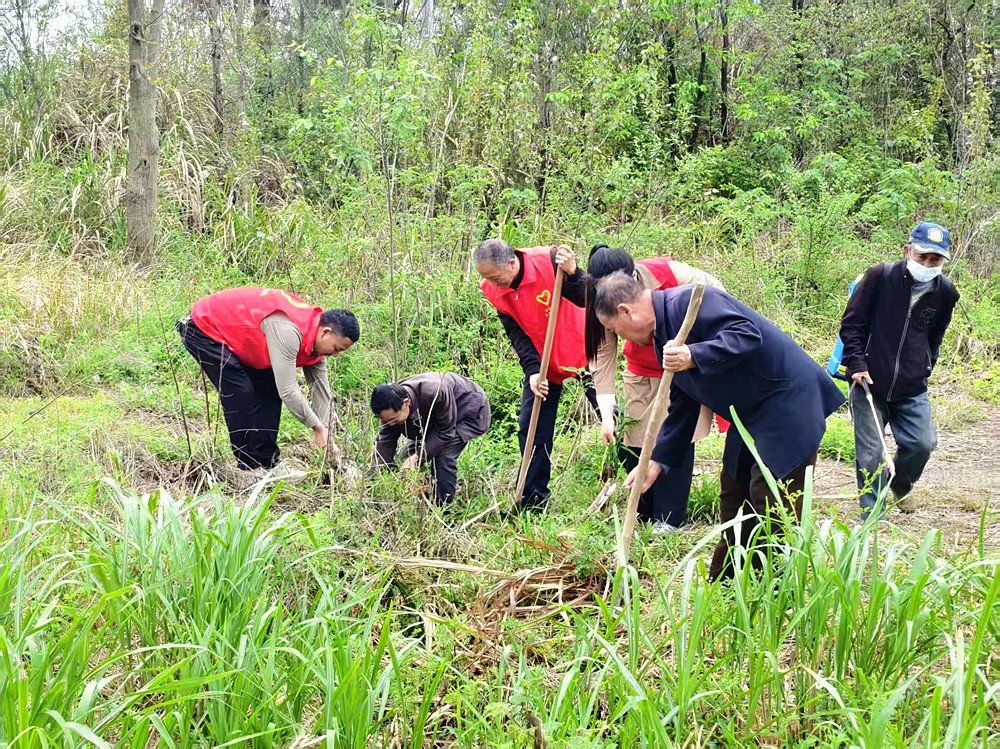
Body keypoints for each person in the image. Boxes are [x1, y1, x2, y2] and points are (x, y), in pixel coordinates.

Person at [593, 273, 845, 581]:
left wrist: (694, 354)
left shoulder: (692, 302)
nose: (619, 338)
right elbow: (683, 403)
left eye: (612, 329)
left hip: (787, 403)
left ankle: (772, 590)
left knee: (770, 497)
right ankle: (726, 586)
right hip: (750, 412)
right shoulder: (663, 339)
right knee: (733, 490)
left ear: (625, 311)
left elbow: (747, 335)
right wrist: (657, 462)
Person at [557, 243, 726, 534]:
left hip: (682, 366)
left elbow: (716, 295)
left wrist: (698, 350)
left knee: (674, 438)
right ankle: (646, 510)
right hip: (641, 370)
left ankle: (669, 518)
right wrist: (606, 411)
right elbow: (603, 354)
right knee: (631, 437)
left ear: (632, 275)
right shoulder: (599, 298)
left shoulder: (670, 274)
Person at [838, 222, 959, 520]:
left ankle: (901, 485)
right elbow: (852, 324)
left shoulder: (945, 292)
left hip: (911, 385)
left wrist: (925, 367)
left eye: (936, 260)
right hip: (868, 381)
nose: (928, 264)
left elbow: (935, 337)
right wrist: (857, 364)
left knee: (922, 444)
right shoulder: (881, 276)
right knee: (871, 455)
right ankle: (873, 517)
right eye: (922, 257)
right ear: (907, 251)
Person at [176, 287, 358, 480]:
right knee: (241, 391)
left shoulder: (317, 347)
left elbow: (321, 393)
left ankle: (268, 463)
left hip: (239, 337)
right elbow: (288, 390)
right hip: (202, 327)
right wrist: (317, 428)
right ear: (326, 332)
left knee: (269, 390)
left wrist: (328, 438)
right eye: (337, 348)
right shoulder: (288, 330)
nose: (336, 355)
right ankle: (248, 468)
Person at [473, 238, 596, 511]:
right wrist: (532, 371)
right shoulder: (492, 289)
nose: (491, 284)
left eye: (494, 276)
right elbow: (515, 333)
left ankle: (644, 485)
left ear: (511, 262)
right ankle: (533, 500)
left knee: (612, 416)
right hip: (544, 364)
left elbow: (589, 296)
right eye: (485, 278)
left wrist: (574, 273)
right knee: (532, 427)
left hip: (582, 353)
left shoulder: (550, 262)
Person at [371, 372, 491, 505]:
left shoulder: (434, 392)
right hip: (435, 419)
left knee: (443, 456)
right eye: (387, 421)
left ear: (406, 403)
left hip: (466, 412)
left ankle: (443, 508)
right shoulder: (390, 407)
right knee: (402, 462)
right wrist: (375, 482)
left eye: (393, 419)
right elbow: (384, 445)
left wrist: (417, 457)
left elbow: (445, 433)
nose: (391, 424)